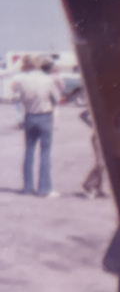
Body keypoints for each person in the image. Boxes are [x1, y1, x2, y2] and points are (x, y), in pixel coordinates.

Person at [11, 55, 62, 197]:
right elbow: (56, 99)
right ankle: (44, 189)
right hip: (45, 116)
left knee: (29, 152)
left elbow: (18, 99)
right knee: (45, 153)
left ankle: (28, 187)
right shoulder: (48, 80)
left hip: (29, 116)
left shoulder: (22, 80)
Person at [78, 109, 107, 198]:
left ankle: (99, 189)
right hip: (98, 137)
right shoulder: (99, 103)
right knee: (101, 163)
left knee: (105, 164)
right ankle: (88, 185)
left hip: (109, 136)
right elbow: (83, 115)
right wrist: (93, 126)